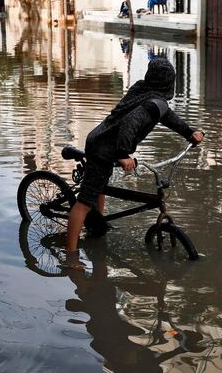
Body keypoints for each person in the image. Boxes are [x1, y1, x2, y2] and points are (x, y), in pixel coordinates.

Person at [64, 57, 204, 267]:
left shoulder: (144, 90)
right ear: (169, 83)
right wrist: (123, 154)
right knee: (84, 202)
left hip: (102, 139)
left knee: (101, 184)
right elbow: (130, 123)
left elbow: (166, 115)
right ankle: (70, 255)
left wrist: (189, 132)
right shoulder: (152, 102)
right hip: (103, 149)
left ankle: (98, 224)